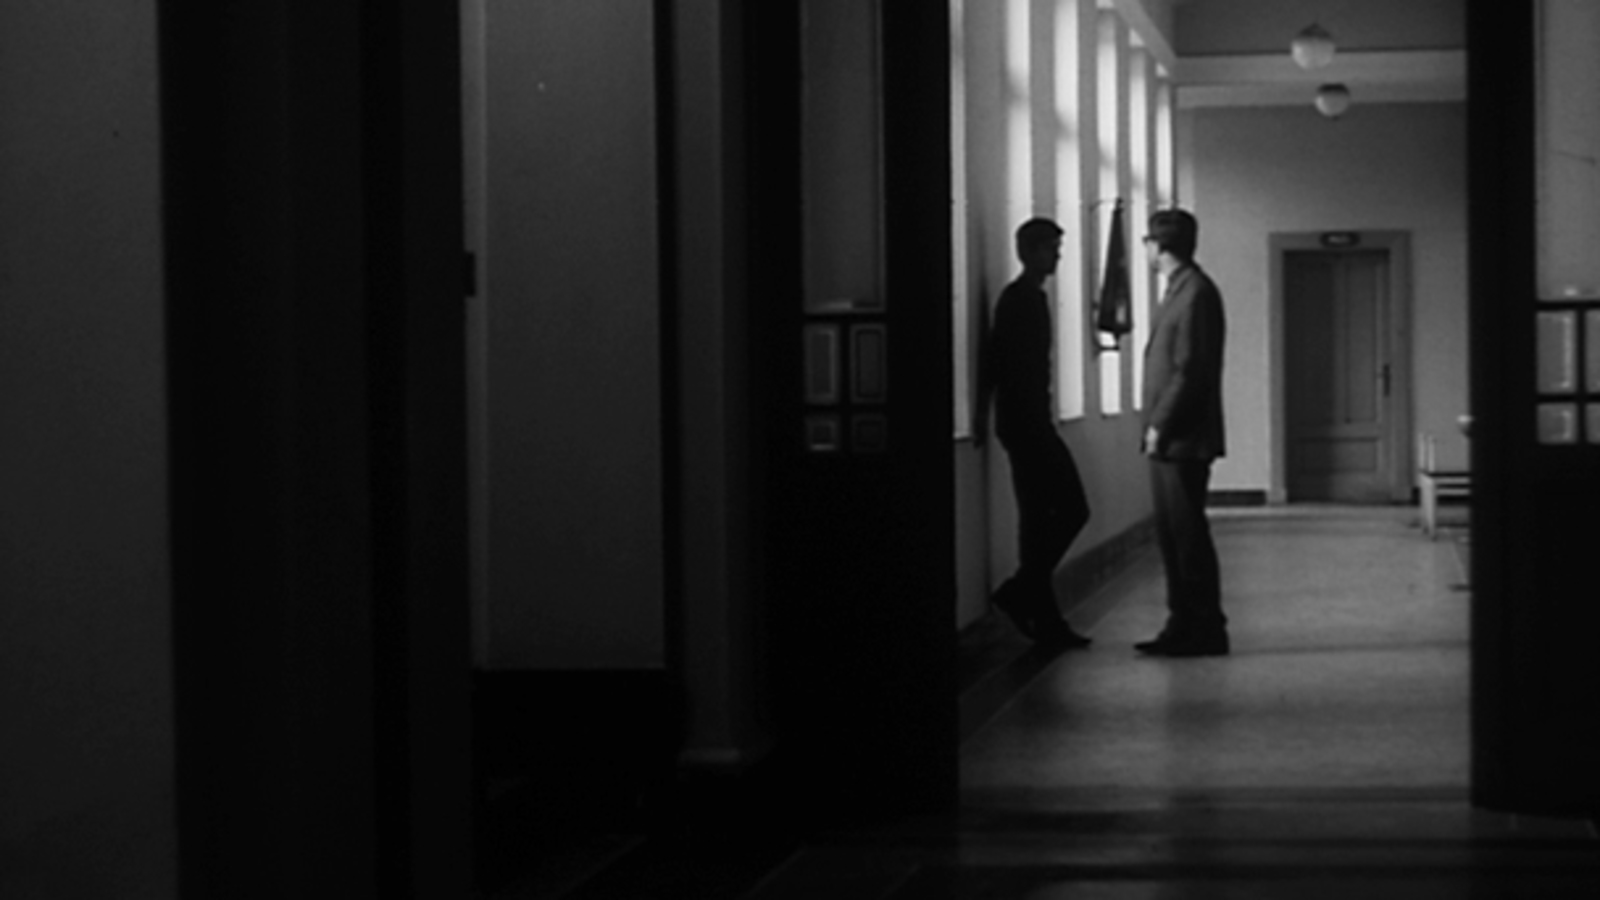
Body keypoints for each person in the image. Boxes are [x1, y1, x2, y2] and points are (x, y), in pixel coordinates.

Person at [978, 218, 1093, 648]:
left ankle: (1039, 610)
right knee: (1069, 509)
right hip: (1026, 424)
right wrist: (983, 413)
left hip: (1027, 421)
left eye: (1057, 248)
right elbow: (999, 363)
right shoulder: (1018, 301)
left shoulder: (1029, 298)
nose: (1057, 256)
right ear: (1028, 252)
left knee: (1039, 520)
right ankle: (1023, 594)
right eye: (1050, 248)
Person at [1136, 208, 1229, 657]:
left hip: (1183, 436)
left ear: (1158, 246)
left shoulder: (1195, 293)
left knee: (1187, 534)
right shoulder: (1180, 289)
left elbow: (1189, 370)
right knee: (1173, 533)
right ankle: (1182, 622)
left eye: (1148, 242)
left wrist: (1160, 424)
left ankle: (1204, 627)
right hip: (1173, 436)